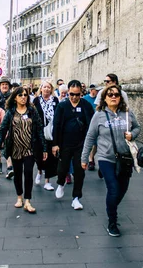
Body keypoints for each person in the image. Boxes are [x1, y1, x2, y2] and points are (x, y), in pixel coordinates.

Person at [81, 84, 140, 236]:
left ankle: (111, 206)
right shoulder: (99, 115)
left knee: (122, 189)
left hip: (125, 158)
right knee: (113, 189)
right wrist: (84, 158)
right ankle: (112, 221)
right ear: (104, 98)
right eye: (110, 94)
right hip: (106, 158)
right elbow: (90, 136)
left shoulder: (127, 113)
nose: (113, 96)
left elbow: (137, 128)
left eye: (116, 94)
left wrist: (132, 135)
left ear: (120, 97)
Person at [0, 86, 47, 214]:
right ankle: (19, 197)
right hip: (15, 149)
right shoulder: (11, 113)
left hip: (29, 148)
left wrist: (44, 148)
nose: (23, 97)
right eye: (20, 95)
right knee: (17, 174)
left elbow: (39, 130)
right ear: (15, 98)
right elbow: (2, 130)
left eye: (25, 95)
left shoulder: (32, 111)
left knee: (28, 173)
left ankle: (28, 201)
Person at [52, 80, 95, 210]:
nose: (74, 97)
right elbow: (57, 125)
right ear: (67, 93)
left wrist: (89, 145)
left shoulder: (86, 105)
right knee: (62, 168)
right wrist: (55, 144)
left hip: (80, 144)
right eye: (72, 94)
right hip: (64, 143)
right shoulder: (62, 106)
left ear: (81, 93)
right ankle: (61, 183)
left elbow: (91, 125)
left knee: (79, 171)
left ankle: (76, 197)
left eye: (77, 94)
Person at [33, 80, 59, 191]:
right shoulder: (36, 100)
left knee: (50, 157)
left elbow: (58, 114)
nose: (47, 89)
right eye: (45, 87)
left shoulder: (55, 100)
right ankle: (39, 171)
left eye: (49, 87)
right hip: (39, 131)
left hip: (51, 131)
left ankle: (47, 181)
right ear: (41, 89)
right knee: (39, 155)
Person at [0, 77, 15, 180]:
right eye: (2, 84)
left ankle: (9, 167)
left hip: (8, 123)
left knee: (8, 144)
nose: (4, 86)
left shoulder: (12, 97)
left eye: (6, 84)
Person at [83, 84, 99, 170]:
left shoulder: (99, 99)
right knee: (91, 141)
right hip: (88, 123)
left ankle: (92, 157)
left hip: (97, 123)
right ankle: (90, 160)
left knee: (96, 144)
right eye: (96, 90)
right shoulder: (85, 99)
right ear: (92, 90)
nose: (97, 92)